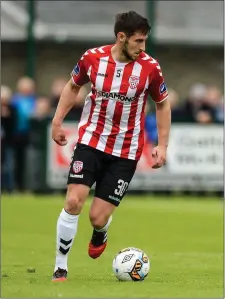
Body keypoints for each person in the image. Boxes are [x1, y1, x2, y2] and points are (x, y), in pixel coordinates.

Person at [51, 11, 171, 281]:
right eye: (138, 41)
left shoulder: (150, 68)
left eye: (144, 41)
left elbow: (162, 103)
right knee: (73, 201)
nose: (143, 47)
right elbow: (73, 86)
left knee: (96, 217)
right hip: (91, 141)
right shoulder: (92, 58)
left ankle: (101, 231)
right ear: (121, 37)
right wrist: (57, 121)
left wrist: (162, 145)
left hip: (126, 151)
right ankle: (61, 266)